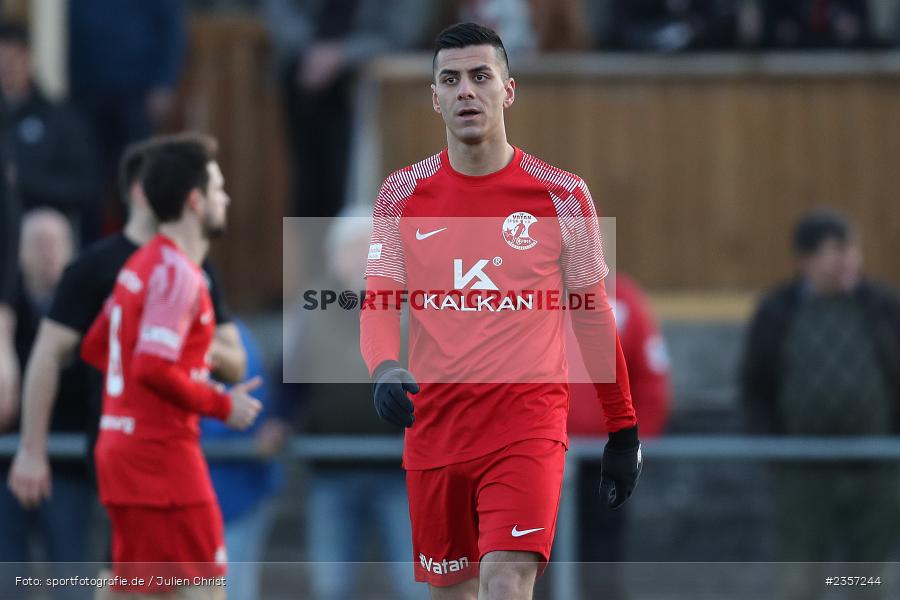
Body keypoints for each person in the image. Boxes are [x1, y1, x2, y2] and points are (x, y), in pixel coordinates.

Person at [359, 22, 642, 599]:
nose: (466, 91)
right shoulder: (400, 195)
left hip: (526, 425)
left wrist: (623, 428)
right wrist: (384, 368)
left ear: (507, 90)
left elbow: (591, 315)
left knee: (507, 580)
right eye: (450, 79)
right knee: (454, 593)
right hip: (435, 430)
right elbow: (379, 303)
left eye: (480, 76)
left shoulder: (563, 194)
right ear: (433, 97)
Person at [7, 134, 246, 512]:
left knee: (160, 570)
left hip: (176, 450)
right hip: (119, 448)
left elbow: (235, 362)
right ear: (142, 192)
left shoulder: (197, 270)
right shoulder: (94, 268)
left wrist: (173, 334)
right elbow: (50, 353)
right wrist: (32, 450)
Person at [79, 137, 262, 599]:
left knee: (137, 590)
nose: (226, 199)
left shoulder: (138, 265)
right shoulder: (180, 274)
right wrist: (222, 403)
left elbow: (98, 347)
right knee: (206, 589)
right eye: (218, 188)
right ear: (195, 202)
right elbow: (151, 368)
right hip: (162, 458)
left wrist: (188, 363)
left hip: (121, 449)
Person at [741, 209, 900, 600]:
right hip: (803, 473)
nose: (848, 260)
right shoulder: (778, 311)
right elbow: (755, 385)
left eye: (852, 249)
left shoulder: (882, 306)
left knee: (868, 582)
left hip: (875, 470)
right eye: (835, 250)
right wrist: (773, 448)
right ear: (805, 260)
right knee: (800, 582)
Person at [0, 209, 94, 599]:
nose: (48, 254)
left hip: (68, 468)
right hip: (5, 465)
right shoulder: (7, 316)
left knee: (69, 577)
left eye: (56, 244)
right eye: (38, 244)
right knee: (8, 578)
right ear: (18, 253)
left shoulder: (89, 306)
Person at [263, 0, 427, 218]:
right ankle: (308, 252)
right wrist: (311, 52)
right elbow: (280, 10)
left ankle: (346, 249)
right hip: (301, 75)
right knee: (307, 187)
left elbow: (402, 31)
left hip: (369, 88)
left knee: (353, 190)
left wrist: (341, 56)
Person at [567, 271, 671, 598]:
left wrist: (635, 447)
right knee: (532, 558)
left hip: (605, 461)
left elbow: (652, 380)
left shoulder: (623, 301)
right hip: (537, 458)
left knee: (602, 559)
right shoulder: (525, 298)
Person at [201, 319, 285, 600]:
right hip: (187, 494)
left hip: (239, 492)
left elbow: (250, 411)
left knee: (233, 587)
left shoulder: (237, 338)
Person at [0, 21, 97, 240]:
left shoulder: (60, 120)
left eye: (13, 59)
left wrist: (20, 180)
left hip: (37, 224)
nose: (7, 68)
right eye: (1, 61)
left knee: (44, 228)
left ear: (29, 59)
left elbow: (82, 186)